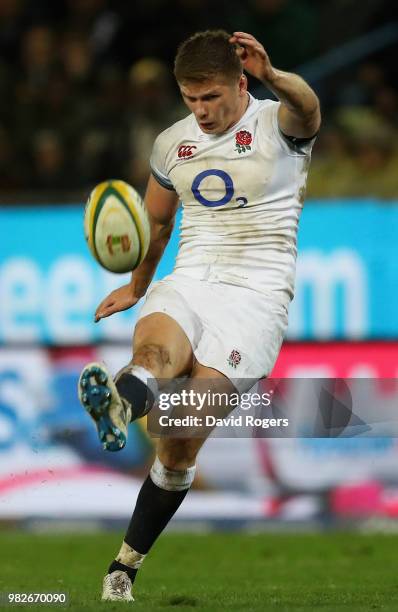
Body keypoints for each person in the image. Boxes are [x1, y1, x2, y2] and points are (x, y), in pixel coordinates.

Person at [78, 29, 321, 602]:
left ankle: (125, 564)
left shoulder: (276, 123)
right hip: (191, 278)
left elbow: (309, 107)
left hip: (257, 299)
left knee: (179, 434)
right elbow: (157, 224)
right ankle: (118, 401)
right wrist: (138, 287)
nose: (201, 111)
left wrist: (275, 74)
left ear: (240, 83)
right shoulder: (171, 145)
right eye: (191, 99)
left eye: (211, 97)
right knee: (154, 355)